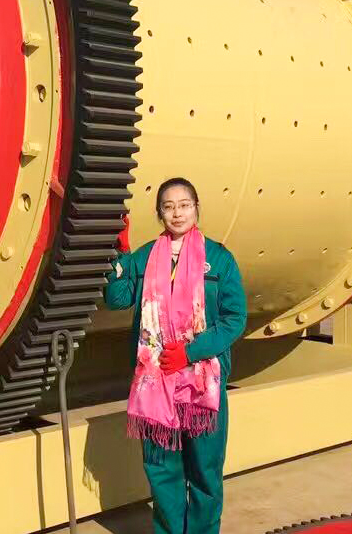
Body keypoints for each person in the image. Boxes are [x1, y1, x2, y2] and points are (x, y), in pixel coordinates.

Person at [104, 177, 247, 534]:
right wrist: (118, 254)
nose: (177, 213)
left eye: (184, 205)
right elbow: (117, 299)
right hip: (156, 383)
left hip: (202, 386)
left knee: (204, 471)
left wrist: (190, 352)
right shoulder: (145, 257)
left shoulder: (219, 258)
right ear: (159, 213)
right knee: (162, 472)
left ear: (196, 209)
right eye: (168, 207)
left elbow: (234, 319)